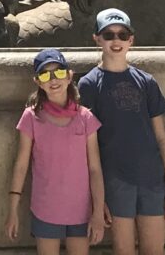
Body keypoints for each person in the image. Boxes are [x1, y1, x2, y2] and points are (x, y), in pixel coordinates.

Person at [77, 7, 165, 255]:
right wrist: (97, 199)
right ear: (97, 39)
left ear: (131, 40)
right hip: (115, 181)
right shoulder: (89, 84)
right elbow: (86, 147)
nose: (116, 41)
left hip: (152, 180)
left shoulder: (146, 81)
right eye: (109, 35)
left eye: (122, 35)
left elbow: (161, 138)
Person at [7, 47, 106, 255]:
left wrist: (97, 212)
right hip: (46, 209)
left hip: (81, 211)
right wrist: (12, 210)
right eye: (45, 74)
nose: (53, 80)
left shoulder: (86, 117)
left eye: (59, 72)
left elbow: (95, 169)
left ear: (69, 76)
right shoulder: (30, 117)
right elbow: (21, 164)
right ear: (38, 81)